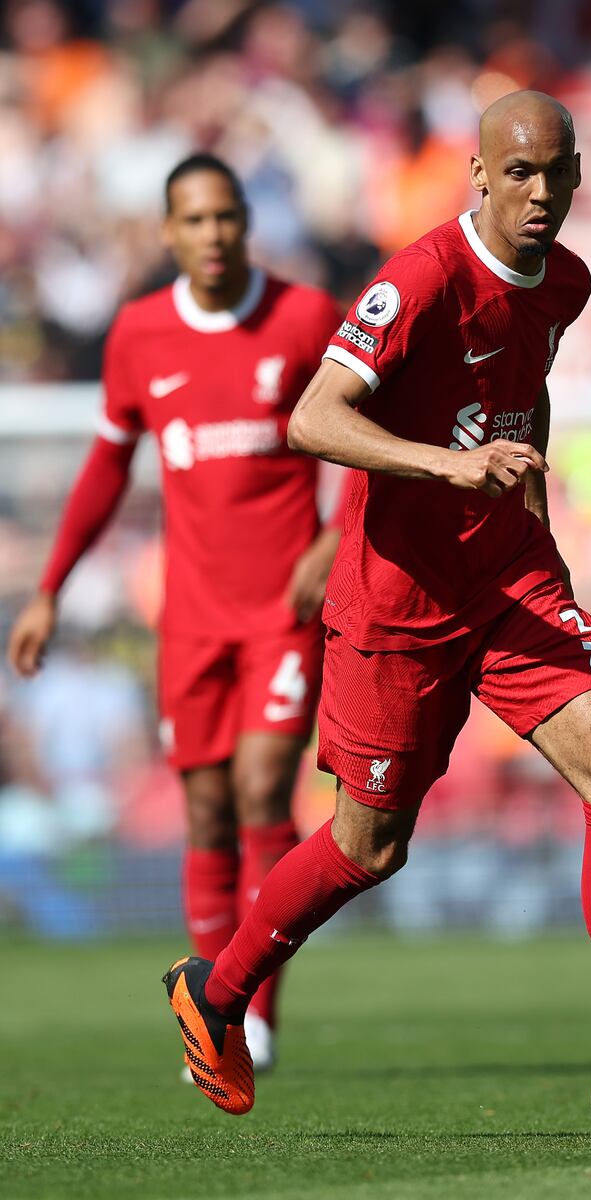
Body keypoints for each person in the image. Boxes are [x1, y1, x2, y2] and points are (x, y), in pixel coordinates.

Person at [161, 93, 591, 1129]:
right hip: (399, 600)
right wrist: (452, 466)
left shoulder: (562, 281)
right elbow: (311, 417)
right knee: (369, 847)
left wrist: (532, 520)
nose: (538, 193)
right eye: (515, 173)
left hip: (507, 575)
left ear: (576, 176)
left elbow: (529, 393)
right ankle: (214, 993)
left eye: (555, 173)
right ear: (476, 173)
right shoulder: (421, 278)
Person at [7, 153, 345, 1075]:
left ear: (247, 223)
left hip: (283, 608)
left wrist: (334, 536)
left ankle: (251, 1008)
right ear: (167, 233)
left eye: (226, 217)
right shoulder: (139, 336)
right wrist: (49, 589)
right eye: (193, 220)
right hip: (191, 616)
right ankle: (210, 1007)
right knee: (203, 812)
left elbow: (366, 436)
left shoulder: (307, 317)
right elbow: (108, 465)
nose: (212, 235)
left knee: (262, 793)